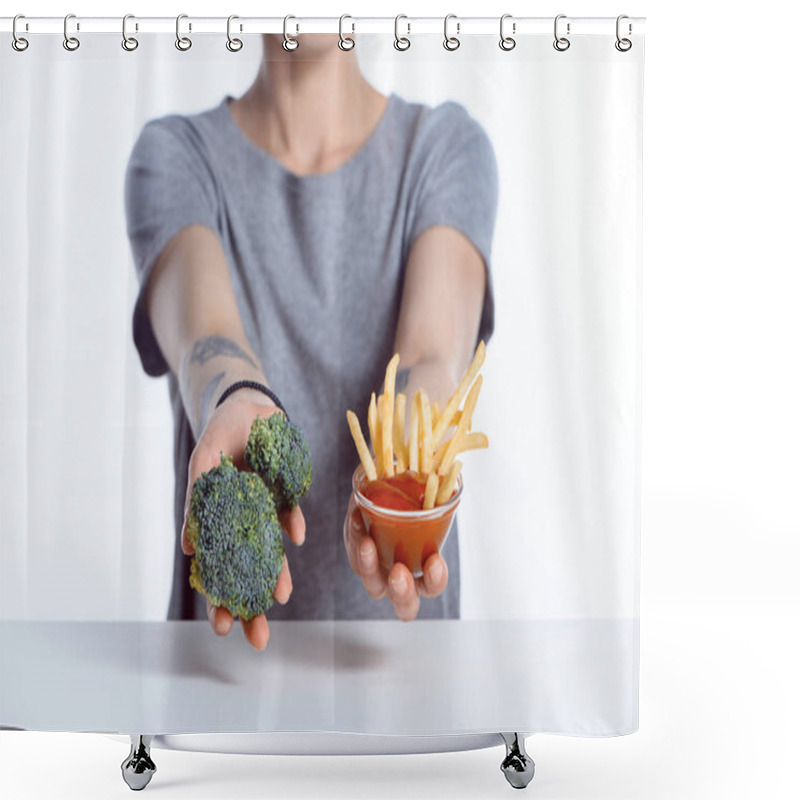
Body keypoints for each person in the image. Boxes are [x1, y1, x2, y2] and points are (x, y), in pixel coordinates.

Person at [124, 32, 498, 650]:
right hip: (217, 693)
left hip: (412, 692)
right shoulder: (175, 157)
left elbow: (432, 354)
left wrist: (403, 459)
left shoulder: (446, 150)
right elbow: (206, 336)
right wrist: (237, 396)